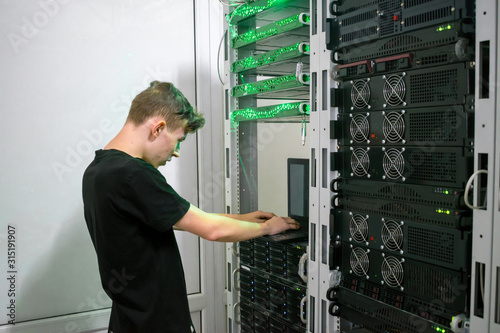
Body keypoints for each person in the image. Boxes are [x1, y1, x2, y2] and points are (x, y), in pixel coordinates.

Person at [82, 81, 300, 333]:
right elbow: (211, 230)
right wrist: (268, 228)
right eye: (178, 140)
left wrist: (246, 219)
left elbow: (181, 218)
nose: (175, 153)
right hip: (157, 322)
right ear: (158, 128)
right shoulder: (133, 173)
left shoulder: (98, 170)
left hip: (129, 320)